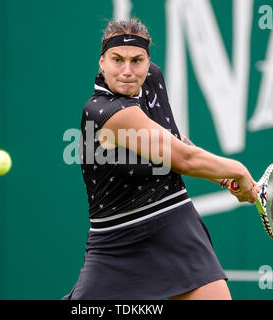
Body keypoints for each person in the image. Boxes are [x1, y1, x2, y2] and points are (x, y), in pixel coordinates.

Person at [63, 18, 259, 300]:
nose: (128, 71)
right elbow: (184, 159)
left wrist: (221, 176)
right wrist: (238, 171)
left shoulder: (152, 77)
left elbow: (173, 140)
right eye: (117, 60)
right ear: (102, 63)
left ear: (148, 61)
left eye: (137, 60)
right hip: (117, 243)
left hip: (174, 225)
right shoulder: (104, 112)